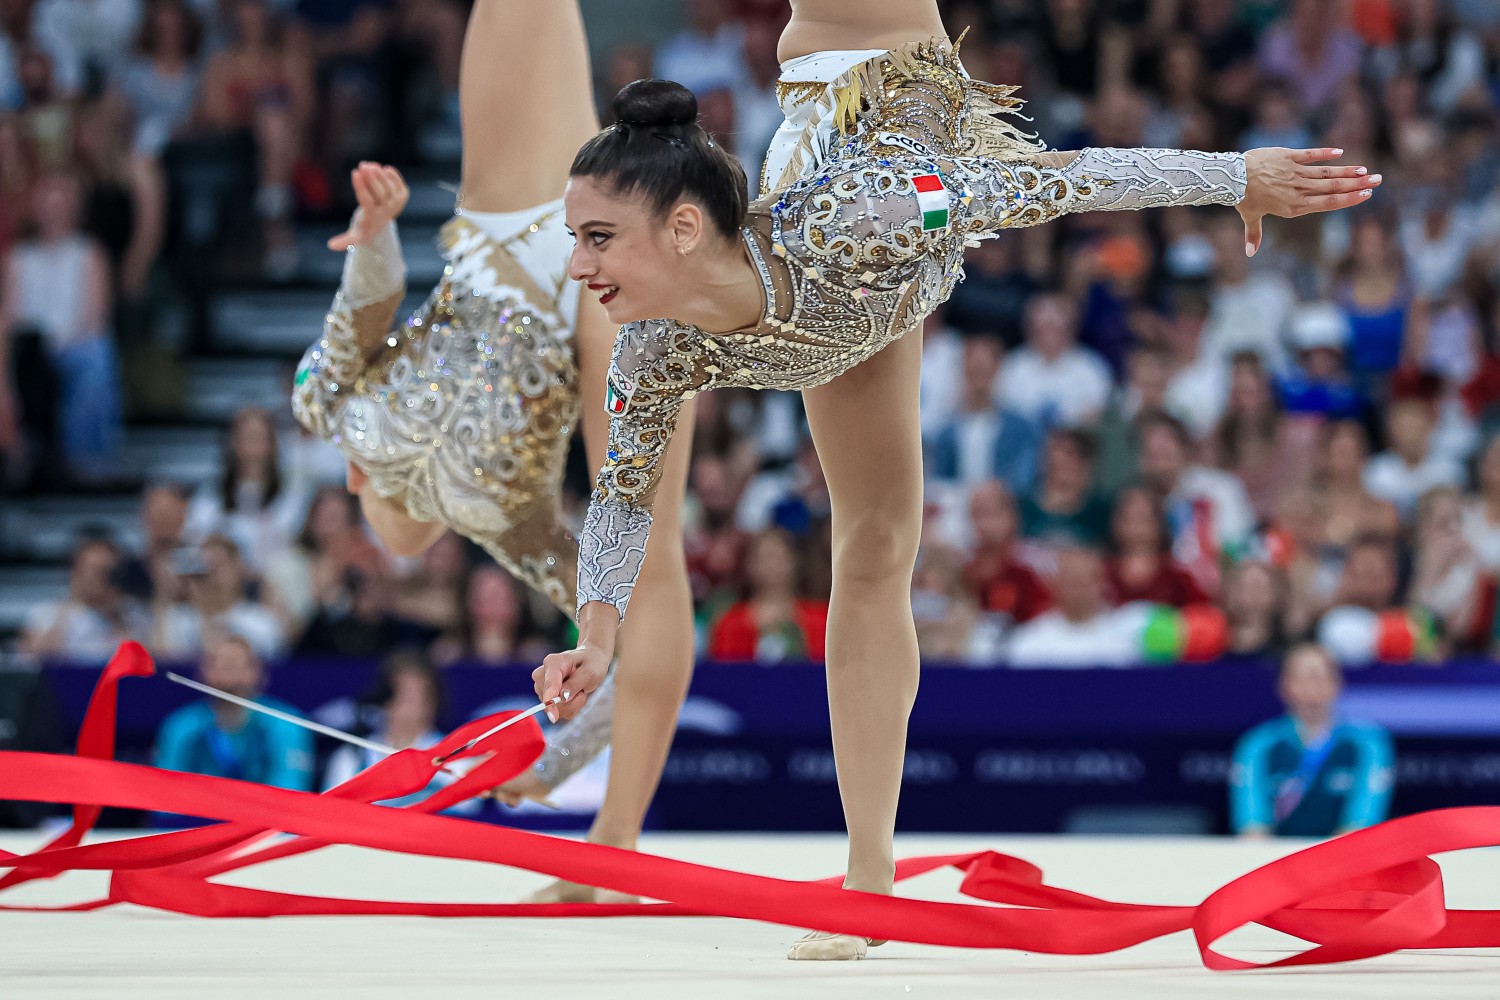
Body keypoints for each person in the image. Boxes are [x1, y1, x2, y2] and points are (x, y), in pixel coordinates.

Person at [538, 0, 1378, 960]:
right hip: (850, 300)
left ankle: (866, 877)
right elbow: (623, 496)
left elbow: (1054, 182)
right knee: (874, 548)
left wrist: (1235, 176)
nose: (577, 265)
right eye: (576, 238)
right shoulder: (654, 349)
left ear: (685, 227)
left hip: (876, 61)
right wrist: (595, 635)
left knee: (878, 540)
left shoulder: (869, 218)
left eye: (597, 237)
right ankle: (869, 878)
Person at [290, 0, 695, 900]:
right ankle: (615, 844)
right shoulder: (501, 524)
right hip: (561, 286)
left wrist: (375, 234)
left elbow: (358, 321)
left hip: (507, 229)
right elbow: (618, 632)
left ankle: (615, 844)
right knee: (647, 563)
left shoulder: (347, 422)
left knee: (650, 563)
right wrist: (551, 765)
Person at [1231, 642, 1394, 838]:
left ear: (1337, 683)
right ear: (1283, 686)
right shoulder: (1258, 743)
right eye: (1301, 679)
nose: (1311, 687)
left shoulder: (1368, 743)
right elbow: (1251, 824)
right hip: (1276, 854)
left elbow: (1362, 821)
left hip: (1345, 853)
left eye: (1318, 677)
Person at [154, 634, 314, 826]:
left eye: (237, 663)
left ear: (258, 671)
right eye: (218, 662)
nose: (228, 668)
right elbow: (165, 796)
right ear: (202, 671)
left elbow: (292, 790)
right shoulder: (180, 726)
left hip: (268, 830)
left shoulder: (286, 723)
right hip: (196, 829)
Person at [323, 649, 479, 814]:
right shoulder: (352, 756)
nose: (408, 704)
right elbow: (330, 815)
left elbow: (468, 811)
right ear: (383, 698)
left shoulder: (456, 756)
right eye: (400, 694)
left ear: (433, 703)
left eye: (417, 696)